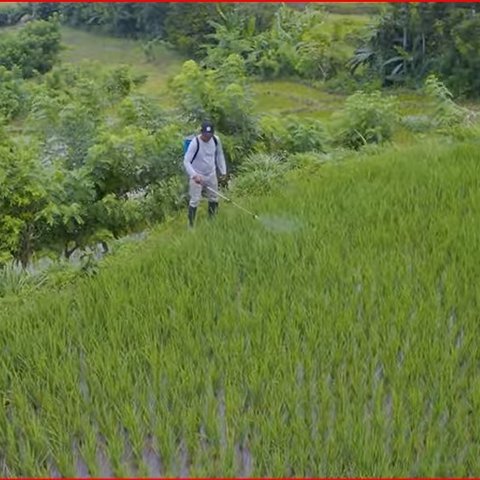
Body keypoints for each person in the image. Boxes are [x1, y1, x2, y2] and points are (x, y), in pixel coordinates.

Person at [183, 120, 227, 227]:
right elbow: (186, 161)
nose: (208, 137)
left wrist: (223, 171)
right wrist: (194, 175)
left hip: (211, 174)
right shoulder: (195, 142)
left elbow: (219, 155)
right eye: (205, 135)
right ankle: (191, 226)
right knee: (195, 200)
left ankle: (212, 221)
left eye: (210, 134)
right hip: (197, 175)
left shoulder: (216, 140)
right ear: (201, 132)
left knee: (214, 198)